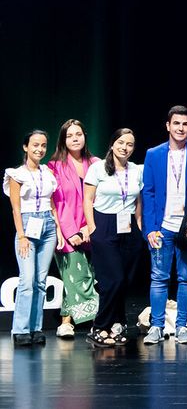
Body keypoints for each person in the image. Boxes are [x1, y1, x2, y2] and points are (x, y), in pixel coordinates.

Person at [141, 106, 187, 345]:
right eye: (176, 123)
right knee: (159, 277)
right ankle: (157, 326)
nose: (180, 128)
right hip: (163, 226)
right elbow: (148, 192)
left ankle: (182, 326)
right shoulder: (153, 154)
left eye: (185, 124)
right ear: (168, 126)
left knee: (186, 278)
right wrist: (150, 228)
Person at [84, 128, 143, 347]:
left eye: (129, 144)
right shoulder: (97, 168)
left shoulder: (136, 170)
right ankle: (99, 326)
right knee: (113, 280)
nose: (125, 148)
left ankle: (117, 324)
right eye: (121, 143)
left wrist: (139, 225)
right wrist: (92, 227)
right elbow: (87, 199)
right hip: (104, 224)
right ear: (112, 144)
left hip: (129, 227)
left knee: (125, 281)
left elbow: (138, 200)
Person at [48, 118, 100, 338]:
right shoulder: (54, 167)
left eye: (78, 134)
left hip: (94, 229)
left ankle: (66, 323)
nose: (75, 139)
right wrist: (71, 233)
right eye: (69, 136)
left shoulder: (97, 164)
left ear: (85, 136)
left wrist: (89, 227)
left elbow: (101, 199)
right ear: (63, 140)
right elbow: (57, 202)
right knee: (77, 278)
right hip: (67, 233)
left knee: (89, 277)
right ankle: (99, 322)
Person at [9, 130, 58, 347]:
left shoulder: (47, 172)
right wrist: (21, 235)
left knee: (40, 281)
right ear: (25, 147)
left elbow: (52, 203)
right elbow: (15, 208)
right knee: (27, 280)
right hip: (27, 227)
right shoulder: (16, 174)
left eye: (43, 145)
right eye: (35, 145)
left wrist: (58, 229)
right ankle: (20, 329)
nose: (40, 149)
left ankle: (35, 328)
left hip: (48, 226)